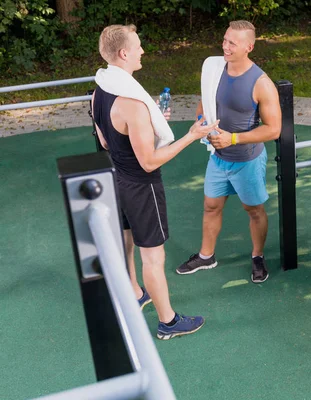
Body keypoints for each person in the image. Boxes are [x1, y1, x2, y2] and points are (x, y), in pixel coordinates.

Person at [92, 24, 218, 339]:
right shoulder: (132, 104)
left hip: (116, 179)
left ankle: (135, 293)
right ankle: (168, 322)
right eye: (138, 46)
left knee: (127, 241)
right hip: (141, 186)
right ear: (123, 53)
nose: (142, 51)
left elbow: (106, 142)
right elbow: (148, 161)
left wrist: (148, 124)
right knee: (153, 256)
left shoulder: (100, 91)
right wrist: (192, 135)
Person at [177, 21, 281, 283]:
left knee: (254, 210)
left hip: (247, 160)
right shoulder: (214, 69)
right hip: (218, 157)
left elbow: (274, 130)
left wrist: (233, 138)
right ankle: (206, 255)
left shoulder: (262, 83)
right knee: (211, 207)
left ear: (249, 46)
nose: (225, 46)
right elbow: (204, 100)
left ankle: (257, 256)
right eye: (224, 40)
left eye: (232, 43)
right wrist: (201, 121)